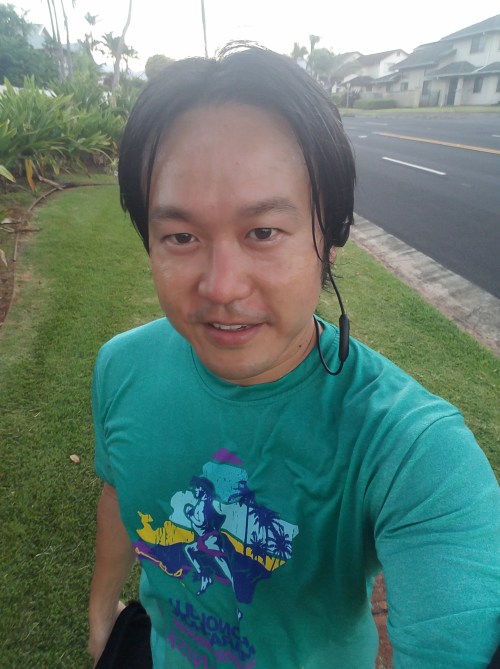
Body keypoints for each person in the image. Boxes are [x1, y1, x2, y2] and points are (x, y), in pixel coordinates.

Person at [88, 44, 500, 669]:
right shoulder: (122, 367)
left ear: (331, 236)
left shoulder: (415, 452)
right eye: (181, 235)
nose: (221, 287)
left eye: (263, 232)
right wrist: (101, 616)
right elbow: (121, 488)